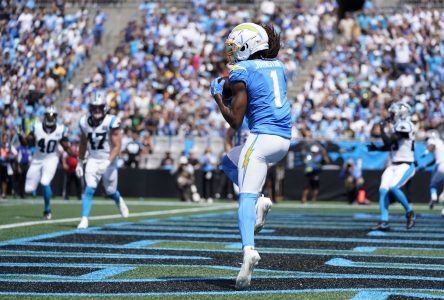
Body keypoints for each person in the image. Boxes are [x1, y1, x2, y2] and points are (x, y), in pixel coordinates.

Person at [211, 23, 291, 290]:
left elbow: (235, 121)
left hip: (260, 140)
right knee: (227, 161)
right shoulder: (277, 66)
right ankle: (262, 201)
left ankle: (248, 251)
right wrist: (230, 86)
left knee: (244, 198)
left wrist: (219, 98)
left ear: (247, 46)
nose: (232, 54)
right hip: (283, 141)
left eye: (235, 48)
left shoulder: (242, 70)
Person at [75, 91, 129, 229]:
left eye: (99, 107)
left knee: (110, 191)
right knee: (89, 188)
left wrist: (107, 161)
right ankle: (84, 219)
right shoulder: (84, 121)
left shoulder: (111, 121)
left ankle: (118, 200)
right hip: (93, 159)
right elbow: (83, 143)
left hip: (108, 160)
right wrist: (80, 162)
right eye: (94, 107)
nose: (97, 110)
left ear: (104, 107)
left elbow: (117, 146)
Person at [17, 106, 77, 219]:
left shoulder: (60, 129)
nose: (50, 119)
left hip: (51, 159)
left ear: (55, 117)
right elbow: (26, 143)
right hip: (37, 159)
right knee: (28, 189)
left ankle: (47, 210)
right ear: (44, 117)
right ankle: (45, 205)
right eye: (48, 116)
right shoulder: (37, 127)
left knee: (45, 182)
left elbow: (66, 148)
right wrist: (20, 135)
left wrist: (78, 156)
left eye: (52, 116)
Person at [367, 101, 416, 231]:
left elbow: (390, 140)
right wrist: (376, 148)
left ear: (401, 113)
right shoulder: (397, 126)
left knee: (393, 188)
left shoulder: (405, 125)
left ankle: (410, 212)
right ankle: (384, 221)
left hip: (405, 164)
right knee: (383, 190)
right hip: (393, 164)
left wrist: (382, 128)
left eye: (393, 113)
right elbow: (392, 146)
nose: (391, 115)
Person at [419, 130, 444, 214]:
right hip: (441, 163)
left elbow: (432, 145)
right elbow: (435, 159)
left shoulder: (433, 140)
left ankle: (433, 196)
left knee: (433, 183)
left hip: (441, 165)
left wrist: (426, 152)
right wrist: (426, 166)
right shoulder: (441, 143)